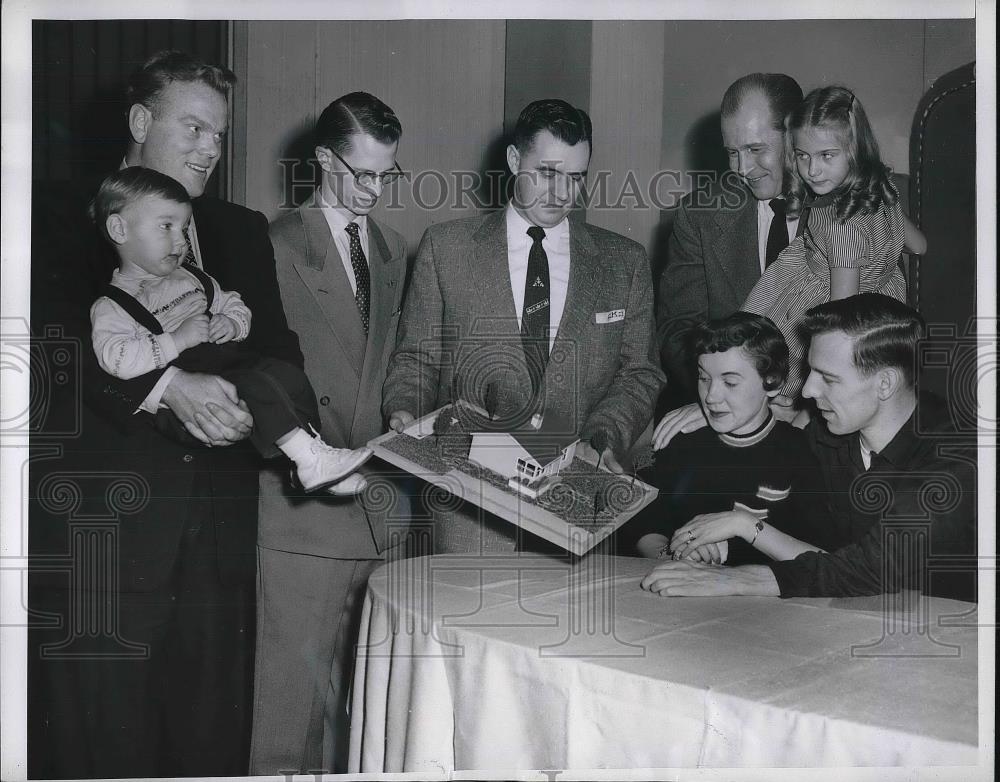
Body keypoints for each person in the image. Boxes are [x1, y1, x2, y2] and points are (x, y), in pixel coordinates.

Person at [29, 51, 301, 778]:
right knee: (94, 748)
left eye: (220, 133)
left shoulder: (242, 230)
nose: (211, 149)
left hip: (216, 537)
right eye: (193, 127)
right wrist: (167, 386)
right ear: (140, 122)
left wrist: (249, 405)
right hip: (104, 537)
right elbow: (46, 353)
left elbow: (279, 352)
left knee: (208, 743)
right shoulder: (54, 216)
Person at [383, 98, 664, 553]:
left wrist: (602, 437)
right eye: (548, 173)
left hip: (573, 501)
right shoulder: (446, 248)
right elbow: (417, 355)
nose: (562, 194)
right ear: (515, 161)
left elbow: (640, 372)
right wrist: (405, 408)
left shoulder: (623, 262)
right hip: (465, 503)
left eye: (576, 178)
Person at [251, 92, 409, 774]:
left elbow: (396, 369)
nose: (374, 190)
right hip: (303, 518)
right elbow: (264, 374)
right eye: (360, 172)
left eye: (387, 174)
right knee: (287, 721)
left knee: (361, 721)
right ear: (322, 159)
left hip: (381, 509)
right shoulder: (276, 244)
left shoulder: (394, 249)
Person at [641, 294, 976, 603]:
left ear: (885, 384)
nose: (808, 390)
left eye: (828, 378)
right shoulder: (829, 431)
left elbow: (872, 569)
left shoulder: (955, 457)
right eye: (810, 371)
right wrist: (711, 411)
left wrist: (735, 573)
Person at [89, 167, 371, 493]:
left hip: (227, 370)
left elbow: (234, 304)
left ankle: (307, 458)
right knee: (260, 382)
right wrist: (176, 340)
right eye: (166, 227)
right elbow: (116, 358)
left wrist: (233, 323)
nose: (180, 241)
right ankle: (308, 459)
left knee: (286, 375)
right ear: (119, 228)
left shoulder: (193, 277)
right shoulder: (110, 305)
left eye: (184, 228)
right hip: (181, 413)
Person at [743, 86, 927, 397]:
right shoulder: (881, 189)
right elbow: (919, 245)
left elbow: (840, 312)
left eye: (827, 155)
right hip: (882, 300)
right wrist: (878, 258)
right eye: (802, 156)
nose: (812, 170)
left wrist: (851, 258)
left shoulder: (842, 224)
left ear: (855, 150)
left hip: (831, 302)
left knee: (761, 358)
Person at [625, 312, 834, 564]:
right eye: (703, 378)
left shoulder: (799, 452)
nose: (711, 396)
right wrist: (670, 553)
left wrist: (728, 553)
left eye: (730, 383)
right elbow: (641, 519)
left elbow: (818, 550)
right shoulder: (682, 438)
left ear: (773, 383)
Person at [657, 73, 803, 405]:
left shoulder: (845, 209)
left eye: (755, 149)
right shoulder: (700, 214)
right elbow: (677, 329)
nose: (742, 168)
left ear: (795, 135)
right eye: (732, 152)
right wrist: (725, 395)